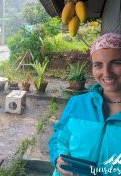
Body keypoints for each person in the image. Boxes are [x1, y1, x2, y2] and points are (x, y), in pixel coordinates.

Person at [49, 33, 121, 176]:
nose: (106, 73)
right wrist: (58, 158)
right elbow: (59, 138)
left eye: (116, 63)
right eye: (98, 65)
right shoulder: (77, 103)